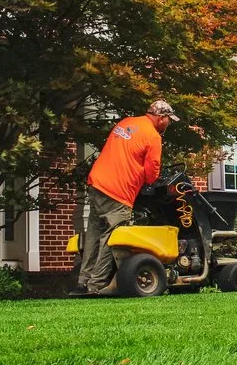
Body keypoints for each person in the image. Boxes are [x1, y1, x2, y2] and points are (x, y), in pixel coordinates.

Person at [72, 100, 179, 295]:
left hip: (97, 183)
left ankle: (82, 281)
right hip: (118, 191)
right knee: (112, 238)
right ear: (161, 118)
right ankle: (95, 286)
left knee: (94, 236)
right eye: (168, 120)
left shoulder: (126, 123)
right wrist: (152, 181)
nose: (168, 124)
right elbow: (152, 173)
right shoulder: (153, 136)